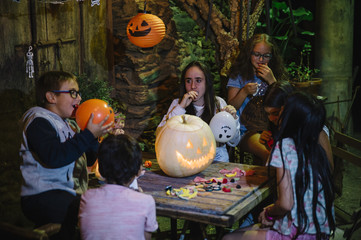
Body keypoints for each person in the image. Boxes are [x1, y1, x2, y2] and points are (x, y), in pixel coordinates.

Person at [222, 92, 335, 240]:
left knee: (229, 238)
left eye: (282, 111)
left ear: (290, 118)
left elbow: (285, 204)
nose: (276, 117)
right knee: (253, 228)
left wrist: (269, 213)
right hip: (321, 231)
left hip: (298, 233)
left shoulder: (284, 146)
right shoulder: (314, 145)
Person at [19, 71, 112, 235]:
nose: (79, 98)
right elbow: (54, 157)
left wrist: (91, 135)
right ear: (51, 97)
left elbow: (89, 159)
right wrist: (87, 135)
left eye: (78, 93)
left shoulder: (69, 125)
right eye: (73, 93)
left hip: (64, 192)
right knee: (95, 211)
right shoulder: (38, 120)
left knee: (97, 208)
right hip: (42, 195)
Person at [158, 61, 241, 162]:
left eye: (198, 80)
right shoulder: (177, 103)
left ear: (207, 82)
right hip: (187, 160)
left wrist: (233, 120)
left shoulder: (218, 103)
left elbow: (234, 142)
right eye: (188, 81)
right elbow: (161, 135)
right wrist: (180, 107)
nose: (193, 86)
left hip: (217, 160)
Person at [78, 134, 158, 240]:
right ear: (138, 169)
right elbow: (146, 237)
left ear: (100, 168)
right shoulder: (146, 202)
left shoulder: (87, 198)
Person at [227, 33, 288, 164]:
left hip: (273, 128)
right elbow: (230, 107)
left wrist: (273, 81)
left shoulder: (275, 74)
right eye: (257, 54)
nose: (261, 59)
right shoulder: (238, 75)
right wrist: (244, 92)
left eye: (266, 56)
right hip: (247, 131)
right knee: (270, 155)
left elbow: (288, 104)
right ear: (249, 54)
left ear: (272, 56)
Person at [260, 81, 334, 171]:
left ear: (289, 108)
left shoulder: (316, 130)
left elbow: (329, 169)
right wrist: (268, 142)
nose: (271, 118)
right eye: (268, 114)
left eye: (275, 113)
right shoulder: (279, 126)